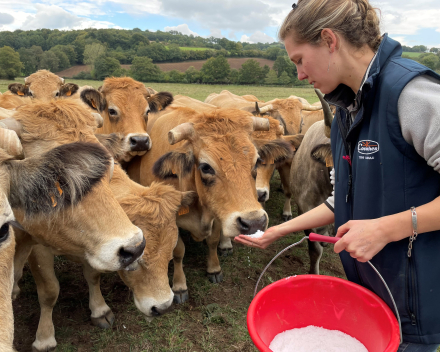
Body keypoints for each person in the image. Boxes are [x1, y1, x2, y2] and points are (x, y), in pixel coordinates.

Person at [234, 1, 440, 351]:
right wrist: (280, 230)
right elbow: (344, 198)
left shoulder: (412, 96)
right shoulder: (346, 109)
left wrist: (384, 229)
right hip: (370, 291)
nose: (298, 74)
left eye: (299, 59)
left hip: (413, 300)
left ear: (329, 40)